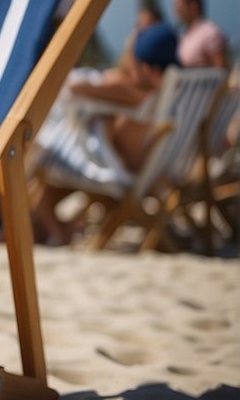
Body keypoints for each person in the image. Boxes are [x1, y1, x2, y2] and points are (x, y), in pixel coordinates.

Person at [30, 22, 182, 244]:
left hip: (122, 173)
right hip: (153, 170)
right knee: (52, 169)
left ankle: (55, 229)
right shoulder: (167, 91)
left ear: (148, 70)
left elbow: (74, 88)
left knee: (46, 154)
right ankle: (56, 227)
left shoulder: (132, 93)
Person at [172, 0, 229, 69]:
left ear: (193, 6)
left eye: (178, 3)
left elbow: (221, 70)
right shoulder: (186, 34)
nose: (175, 8)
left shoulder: (210, 32)